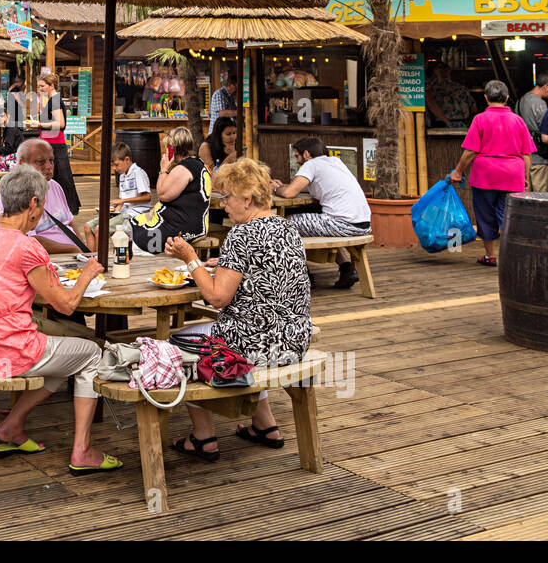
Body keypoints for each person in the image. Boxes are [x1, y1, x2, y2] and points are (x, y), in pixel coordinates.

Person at [0, 165, 120, 475]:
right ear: (33, 204)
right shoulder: (28, 246)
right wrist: (87, 273)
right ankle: (82, 450)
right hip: (8, 350)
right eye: (42, 205)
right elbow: (68, 305)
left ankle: (11, 428)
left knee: (66, 355)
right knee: (92, 354)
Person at [164, 158, 313, 456]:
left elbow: (217, 299)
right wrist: (225, 264)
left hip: (255, 347)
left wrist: (191, 259)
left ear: (247, 199)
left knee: (177, 343)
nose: (223, 204)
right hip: (294, 340)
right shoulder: (288, 229)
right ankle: (265, 424)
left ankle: (203, 436)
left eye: (227, 197)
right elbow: (269, 267)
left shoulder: (240, 236)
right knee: (231, 331)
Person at [448, 80, 536, 266]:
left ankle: (490, 255)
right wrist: (525, 178)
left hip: (485, 177)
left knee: (485, 215)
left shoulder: (480, 119)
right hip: (513, 176)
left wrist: (458, 171)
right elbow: (526, 155)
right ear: (507, 98)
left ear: (486, 98)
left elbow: (470, 151)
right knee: (508, 215)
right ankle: (509, 256)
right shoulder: (518, 120)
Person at [273, 136, 372, 289]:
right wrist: (285, 186)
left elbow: (289, 194)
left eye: (297, 156)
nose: (297, 161)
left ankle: (303, 275)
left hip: (341, 223)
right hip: (363, 224)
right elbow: (306, 187)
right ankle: (346, 268)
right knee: (316, 224)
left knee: (283, 223)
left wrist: (274, 188)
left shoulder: (311, 164)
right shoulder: (335, 162)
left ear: (306, 154)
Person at [127, 126, 209, 254]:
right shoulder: (196, 163)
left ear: (172, 149)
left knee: (136, 236)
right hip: (191, 222)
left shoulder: (184, 168)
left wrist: (164, 169)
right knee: (132, 224)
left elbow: (163, 194)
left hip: (183, 226)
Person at [0, 138, 82, 253]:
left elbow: (69, 223)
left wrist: (83, 249)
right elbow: (27, 240)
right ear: (22, 163)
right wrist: (72, 249)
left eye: (51, 161)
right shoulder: (13, 193)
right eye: (40, 162)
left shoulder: (55, 186)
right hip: (47, 257)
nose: (48, 167)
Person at [84, 141, 152, 243]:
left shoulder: (138, 173)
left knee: (100, 230)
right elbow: (122, 202)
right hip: (123, 213)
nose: (114, 168)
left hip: (135, 215)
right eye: (112, 165)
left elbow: (147, 197)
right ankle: (91, 257)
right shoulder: (122, 176)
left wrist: (123, 201)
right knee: (88, 227)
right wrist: (114, 210)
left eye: (116, 165)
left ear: (127, 160)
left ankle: (99, 258)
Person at [35, 71, 79, 214]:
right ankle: (64, 206)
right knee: (58, 175)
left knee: (61, 175)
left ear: (51, 85)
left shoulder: (54, 100)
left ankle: (69, 207)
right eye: (39, 86)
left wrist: (40, 124)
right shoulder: (52, 99)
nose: (40, 89)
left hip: (55, 142)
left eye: (42, 86)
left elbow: (60, 123)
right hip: (51, 141)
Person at [516, 71, 548, 192]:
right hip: (540, 160)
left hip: (524, 159)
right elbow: (547, 132)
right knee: (542, 200)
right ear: (546, 86)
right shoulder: (540, 103)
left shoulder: (520, 101)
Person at [425, 62, 475, 128]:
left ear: (435, 72)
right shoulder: (461, 88)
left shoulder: (431, 90)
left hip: (440, 124)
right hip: (458, 123)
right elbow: (473, 108)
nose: (442, 71)